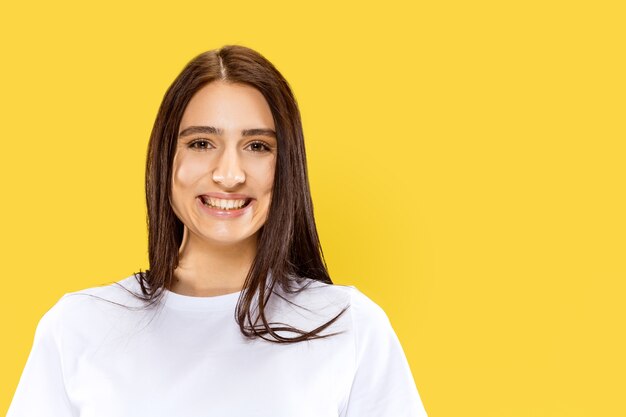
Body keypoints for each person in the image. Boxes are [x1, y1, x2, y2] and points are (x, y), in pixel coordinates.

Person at [7, 45, 428, 417]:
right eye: (201, 143)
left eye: (258, 146)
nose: (229, 175)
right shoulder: (78, 327)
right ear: (164, 159)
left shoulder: (348, 326)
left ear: (286, 168)